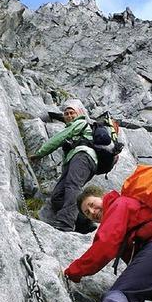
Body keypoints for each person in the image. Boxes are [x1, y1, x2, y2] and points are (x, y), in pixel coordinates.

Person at [29, 99, 97, 232]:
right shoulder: (76, 127)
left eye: (72, 113)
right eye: (66, 114)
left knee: (72, 186)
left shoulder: (80, 123)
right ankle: (84, 221)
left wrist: (39, 154)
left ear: (79, 114)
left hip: (83, 157)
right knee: (57, 197)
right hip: (75, 160)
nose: (69, 116)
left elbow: (58, 139)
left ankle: (66, 223)